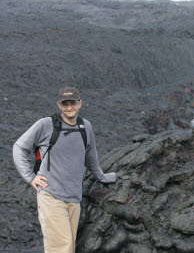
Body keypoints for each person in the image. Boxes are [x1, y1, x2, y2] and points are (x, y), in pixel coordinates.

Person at [13, 87, 117, 253]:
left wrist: (102, 176)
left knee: (68, 246)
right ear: (59, 105)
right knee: (62, 248)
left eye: (73, 103)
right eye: (65, 104)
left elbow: (91, 157)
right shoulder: (46, 125)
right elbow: (19, 147)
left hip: (74, 199)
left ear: (80, 103)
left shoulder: (85, 127)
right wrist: (30, 177)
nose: (69, 107)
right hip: (51, 196)